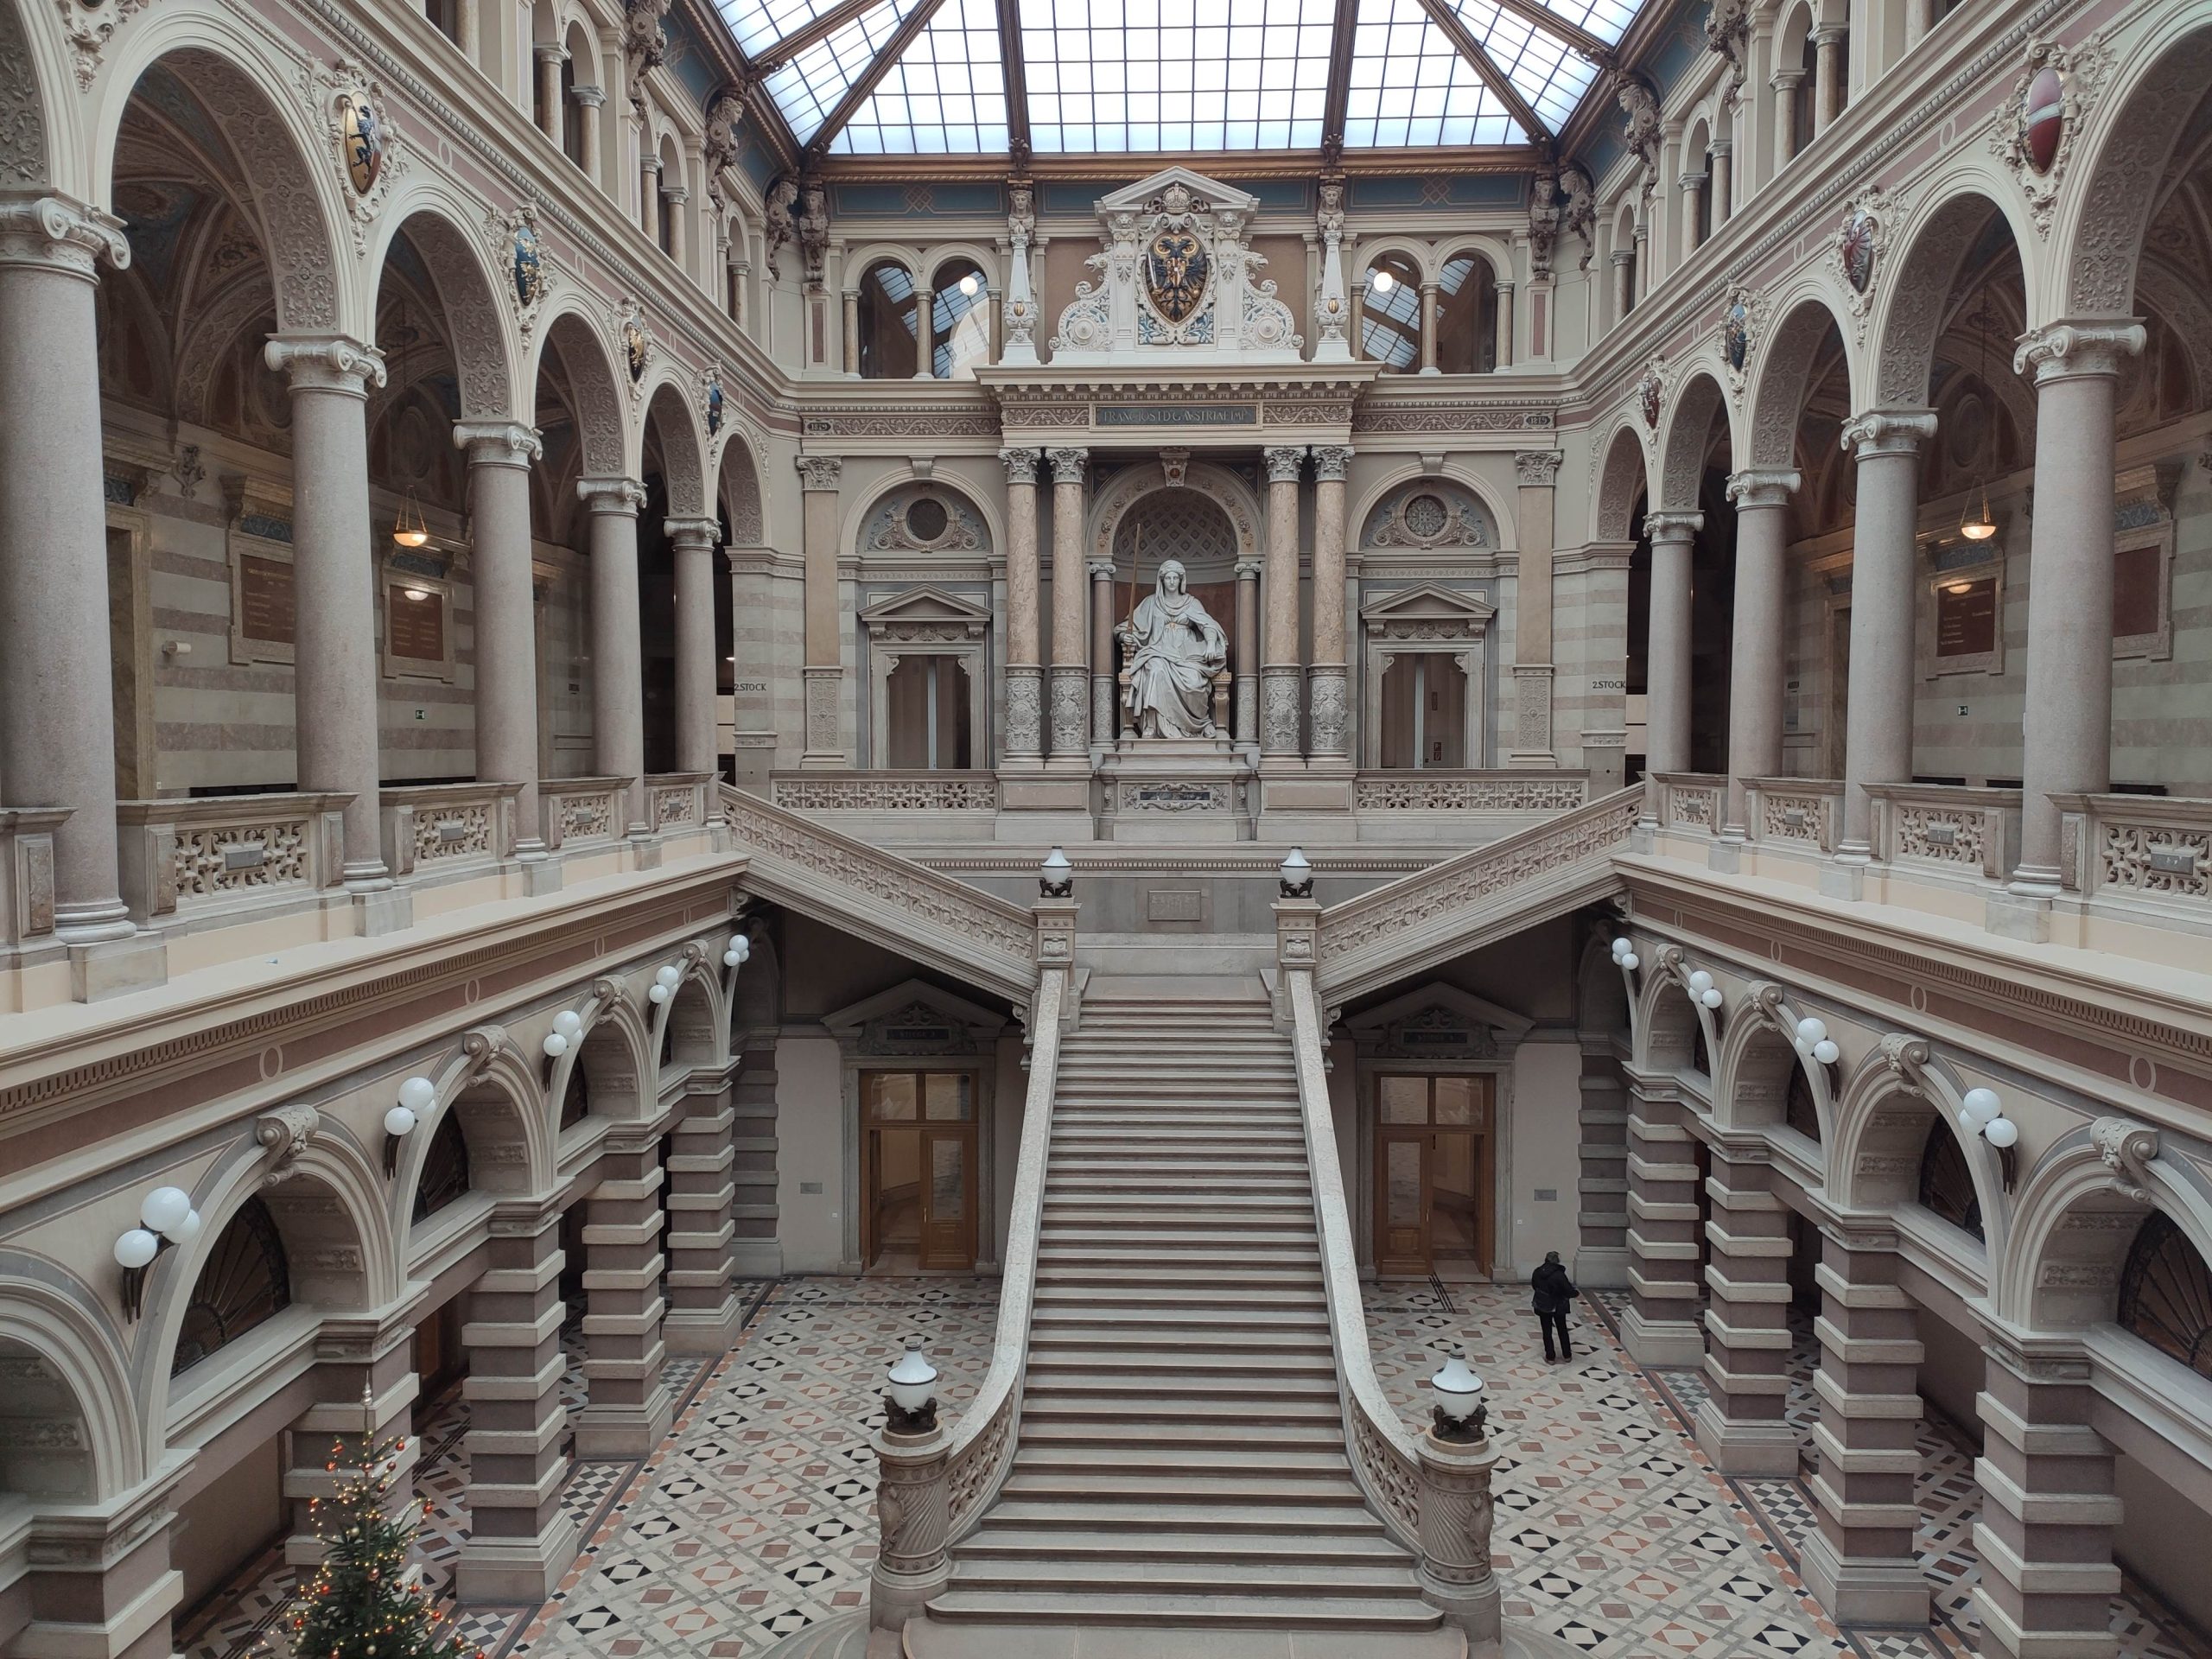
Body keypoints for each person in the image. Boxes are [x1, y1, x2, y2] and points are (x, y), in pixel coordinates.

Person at [1116, 557, 1229, 739]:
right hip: (1157, 651)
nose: (1171, 582)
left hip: (1186, 654)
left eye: (1175, 578)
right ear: (1161, 580)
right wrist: (1125, 636)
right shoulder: (1151, 603)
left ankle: (1201, 723)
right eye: (1168, 578)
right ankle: (1151, 725)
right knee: (1155, 671)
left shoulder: (1191, 603)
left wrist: (1210, 643)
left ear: (1181, 580)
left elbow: (1208, 625)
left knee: (1194, 681)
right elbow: (1125, 628)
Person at [1530, 1250, 1575, 1362]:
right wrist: (1575, 1293)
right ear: (1557, 1261)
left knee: (1547, 1331)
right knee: (1562, 1330)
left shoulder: (1538, 1272)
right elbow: (1568, 1290)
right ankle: (1567, 1355)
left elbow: (1534, 1286)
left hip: (1543, 1304)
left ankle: (1550, 1357)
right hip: (1558, 1305)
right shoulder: (1559, 1275)